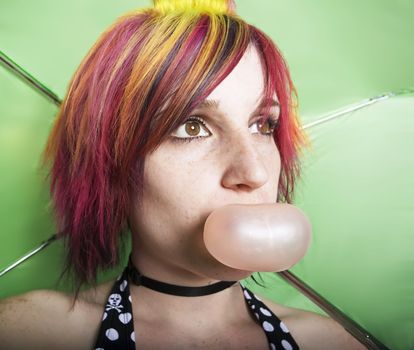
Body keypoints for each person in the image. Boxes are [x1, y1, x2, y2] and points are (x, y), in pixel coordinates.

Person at [0, 1, 366, 349]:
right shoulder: (27, 334)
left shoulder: (330, 342)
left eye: (263, 124)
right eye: (191, 126)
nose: (253, 172)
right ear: (111, 164)